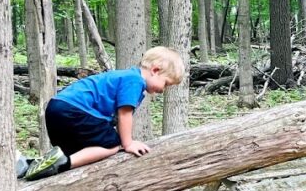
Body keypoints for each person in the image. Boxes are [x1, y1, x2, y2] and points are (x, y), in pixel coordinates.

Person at [23, 46, 185, 181]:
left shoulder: (123, 76)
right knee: (111, 144)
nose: (163, 90)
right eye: (166, 84)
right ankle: (63, 164)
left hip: (56, 108)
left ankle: (29, 165)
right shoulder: (134, 80)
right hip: (74, 110)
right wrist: (127, 143)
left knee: (79, 149)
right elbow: (124, 114)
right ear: (155, 70)